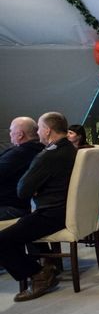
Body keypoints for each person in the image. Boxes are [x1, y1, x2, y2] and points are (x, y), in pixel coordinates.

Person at [0, 112, 77, 302]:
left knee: (2, 240)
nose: (37, 132)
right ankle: (48, 262)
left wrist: (36, 188)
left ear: (48, 130)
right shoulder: (70, 149)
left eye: (40, 128)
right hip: (66, 210)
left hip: (50, 214)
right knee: (20, 229)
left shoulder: (48, 155)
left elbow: (22, 191)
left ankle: (40, 276)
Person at [0, 117, 44, 220]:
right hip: (23, 205)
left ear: (20, 135)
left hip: (11, 207)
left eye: (11, 131)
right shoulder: (41, 150)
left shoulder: (19, 154)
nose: (10, 134)